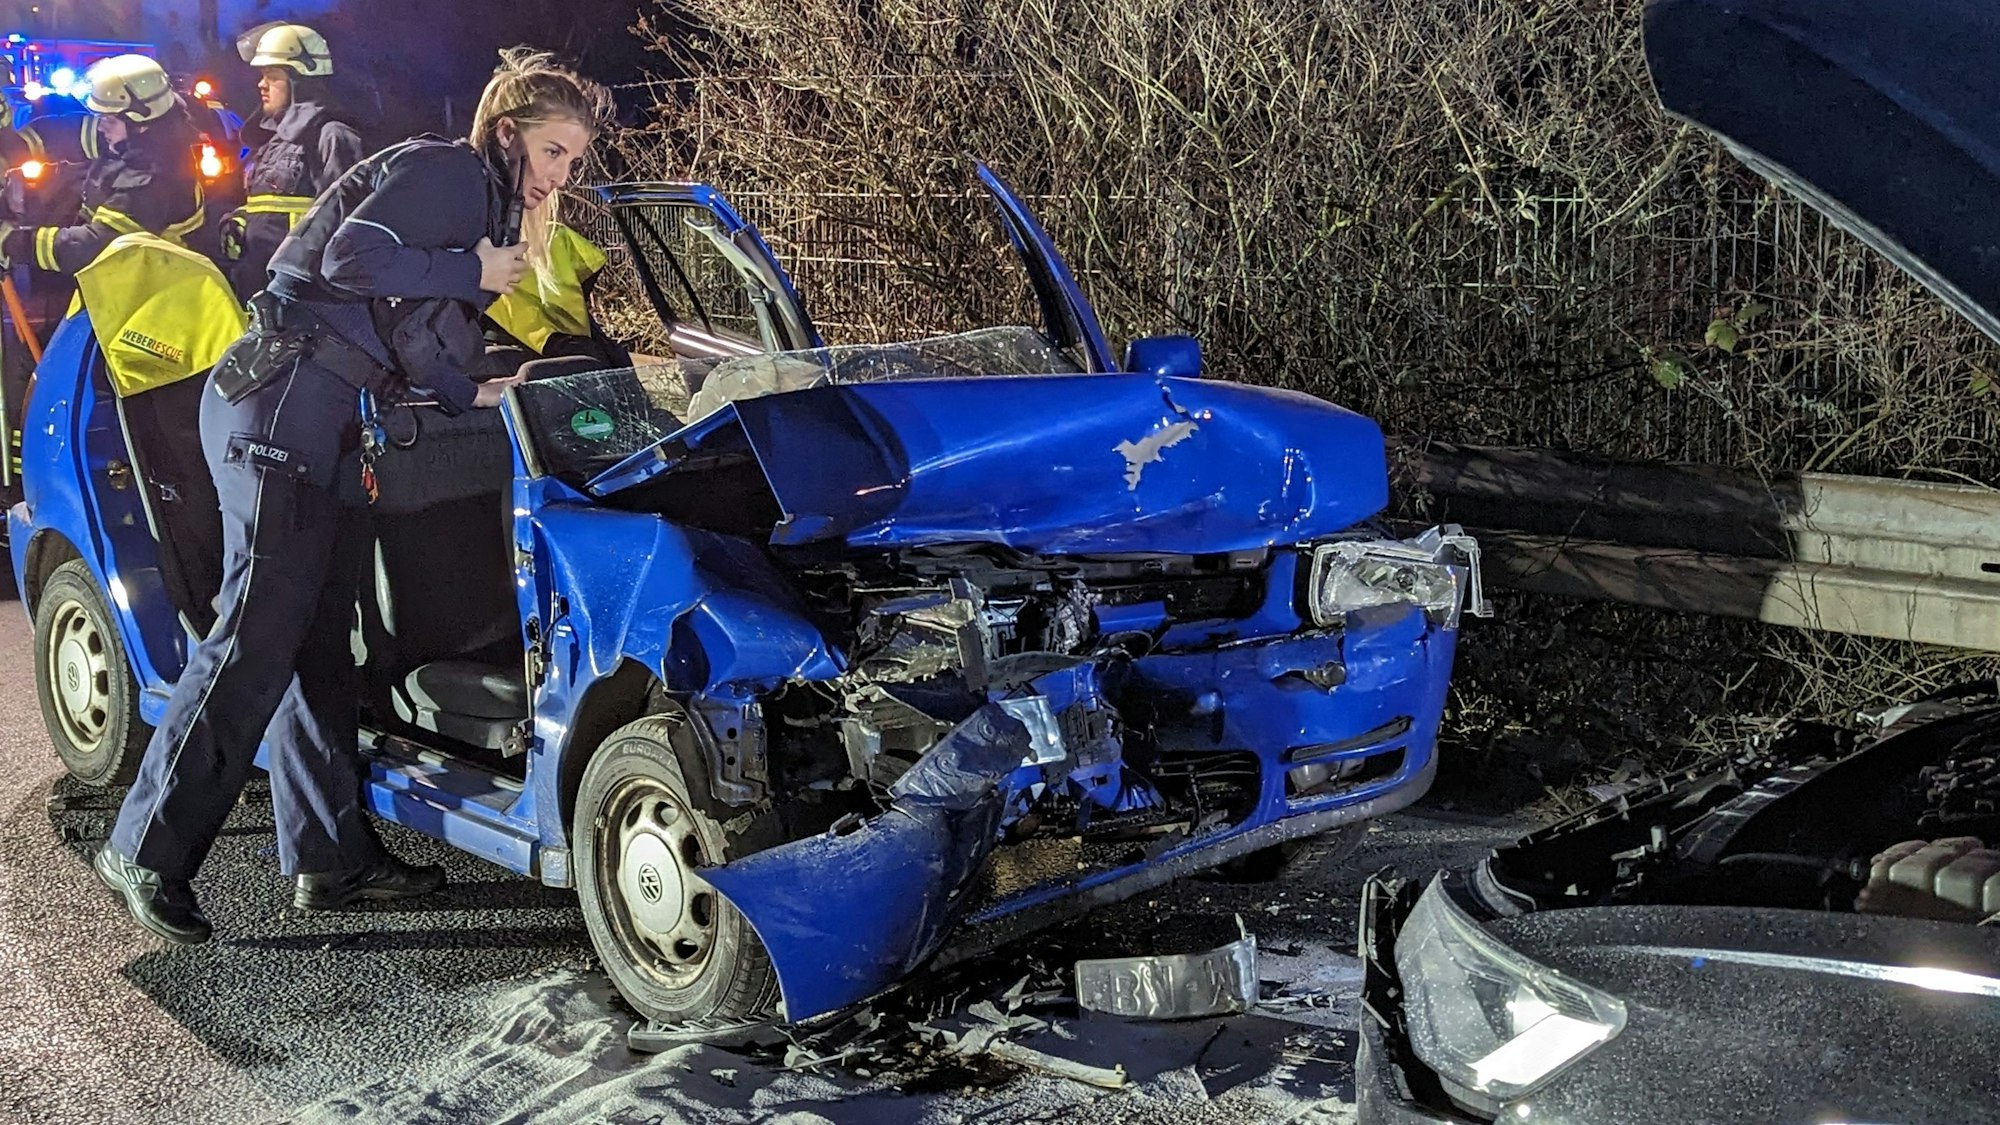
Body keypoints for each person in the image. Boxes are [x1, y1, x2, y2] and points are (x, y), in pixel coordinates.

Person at [93, 49, 614, 945]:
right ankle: (144, 845)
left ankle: (330, 858)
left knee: (318, 647)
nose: (562, 175)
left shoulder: (476, 209)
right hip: (279, 409)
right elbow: (351, 257)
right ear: (506, 135)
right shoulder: (452, 172)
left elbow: (414, 335)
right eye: (556, 151)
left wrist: (493, 387)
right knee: (254, 635)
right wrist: (472, 275)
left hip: (317, 422)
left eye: (574, 159)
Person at [0, 55, 207, 274]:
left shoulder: (156, 178)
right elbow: (69, 144)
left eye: (110, 120)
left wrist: (11, 241)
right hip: (128, 289)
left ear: (140, 121)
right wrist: (16, 161)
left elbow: (93, 246)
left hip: (154, 294)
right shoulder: (133, 147)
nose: (101, 127)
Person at [222, 23, 366, 301]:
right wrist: (241, 220)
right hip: (259, 289)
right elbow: (271, 208)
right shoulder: (272, 141)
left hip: (303, 296)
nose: (261, 84)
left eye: (272, 76)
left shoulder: (333, 136)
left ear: (299, 81)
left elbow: (347, 222)